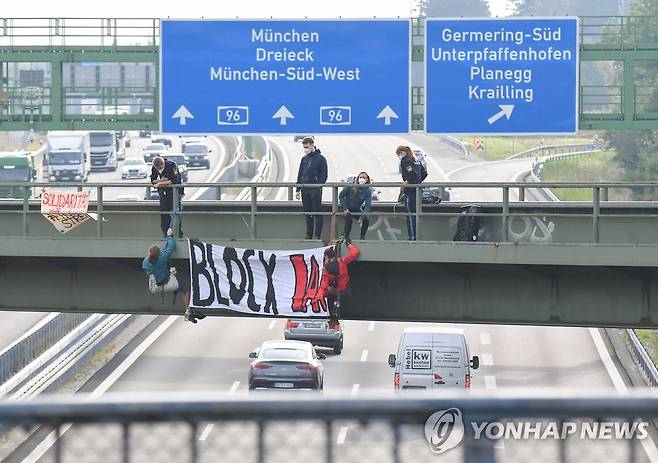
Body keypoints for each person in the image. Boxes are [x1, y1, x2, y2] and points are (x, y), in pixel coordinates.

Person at [142, 228, 205, 324]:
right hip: (168, 283)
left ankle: (190, 311)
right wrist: (169, 236)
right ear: (159, 254)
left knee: (183, 288)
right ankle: (189, 310)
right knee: (186, 289)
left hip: (155, 287)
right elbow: (171, 247)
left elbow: (159, 258)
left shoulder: (145, 262)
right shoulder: (162, 258)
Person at [318, 241, 360, 320]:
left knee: (332, 298)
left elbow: (324, 286)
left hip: (335, 290)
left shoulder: (326, 270)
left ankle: (334, 314)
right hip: (346, 288)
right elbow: (355, 253)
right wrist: (349, 244)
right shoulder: (343, 261)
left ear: (326, 257)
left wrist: (324, 294)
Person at [296, 137, 328, 240]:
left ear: (312, 145)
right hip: (305, 189)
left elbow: (324, 175)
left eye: (307, 147)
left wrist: (318, 185)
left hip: (315, 189)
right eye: (304, 147)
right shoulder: (304, 159)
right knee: (308, 212)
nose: (305, 149)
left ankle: (317, 234)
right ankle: (309, 234)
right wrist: (298, 189)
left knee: (317, 212)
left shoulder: (321, 159)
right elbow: (300, 174)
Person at [396, 145, 425, 241]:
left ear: (403, 152)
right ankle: (416, 237)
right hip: (417, 191)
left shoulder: (406, 161)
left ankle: (412, 238)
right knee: (416, 214)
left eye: (399, 153)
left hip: (410, 191)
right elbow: (424, 173)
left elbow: (412, 174)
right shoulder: (416, 160)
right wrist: (418, 181)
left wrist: (407, 182)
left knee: (410, 215)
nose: (399, 156)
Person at [151, 156, 184, 238]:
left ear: (163, 164)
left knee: (175, 213)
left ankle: (178, 234)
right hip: (163, 193)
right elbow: (153, 180)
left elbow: (174, 180)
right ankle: (167, 235)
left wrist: (160, 183)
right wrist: (163, 180)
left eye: (160, 168)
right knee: (164, 214)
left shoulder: (171, 165)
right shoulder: (154, 167)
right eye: (157, 168)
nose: (159, 170)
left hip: (174, 192)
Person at [339, 171, 372, 241]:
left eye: (364, 178)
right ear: (357, 178)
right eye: (360, 177)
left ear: (367, 180)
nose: (362, 179)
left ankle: (362, 237)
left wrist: (362, 217)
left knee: (366, 220)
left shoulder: (368, 190)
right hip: (346, 207)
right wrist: (345, 208)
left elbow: (368, 205)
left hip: (356, 208)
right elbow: (341, 196)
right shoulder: (351, 186)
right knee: (349, 219)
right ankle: (346, 237)